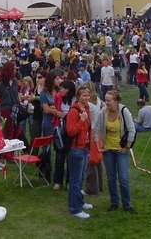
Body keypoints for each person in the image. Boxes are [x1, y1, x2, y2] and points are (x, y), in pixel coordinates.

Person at [94, 90, 137, 214]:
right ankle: (114, 202)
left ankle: (127, 204)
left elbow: (132, 131)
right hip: (108, 151)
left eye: (108, 100)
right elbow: (95, 130)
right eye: (105, 100)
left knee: (123, 178)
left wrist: (127, 148)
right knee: (111, 178)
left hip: (120, 151)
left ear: (116, 101)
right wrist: (98, 147)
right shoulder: (103, 112)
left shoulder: (124, 111)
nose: (106, 102)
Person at [65, 84, 93, 219]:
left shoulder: (86, 108)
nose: (87, 98)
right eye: (84, 96)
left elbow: (89, 129)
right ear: (78, 96)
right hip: (75, 149)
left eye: (88, 95)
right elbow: (70, 131)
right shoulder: (73, 112)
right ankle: (74, 208)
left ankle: (79, 201)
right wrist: (81, 120)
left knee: (81, 177)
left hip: (84, 147)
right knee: (75, 180)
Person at [52, 80, 75, 190]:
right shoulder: (59, 97)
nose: (60, 90)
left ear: (68, 89)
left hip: (71, 130)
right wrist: (56, 112)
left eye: (62, 88)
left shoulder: (75, 100)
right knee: (59, 156)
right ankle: (58, 181)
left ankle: (69, 181)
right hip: (60, 129)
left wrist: (63, 115)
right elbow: (56, 109)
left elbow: (76, 115)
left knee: (70, 157)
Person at [84, 81, 105, 196]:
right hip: (98, 131)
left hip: (91, 131)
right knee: (97, 160)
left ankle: (92, 188)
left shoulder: (89, 105)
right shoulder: (97, 100)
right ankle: (99, 185)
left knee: (91, 160)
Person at [0, 61, 22, 140]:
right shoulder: (0, 84)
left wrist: (20, 102)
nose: (15, 70)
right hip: (5, 109)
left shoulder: (15, 81)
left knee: (16, 131)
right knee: (8, 132)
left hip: (15, 109)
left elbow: (16, 93)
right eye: (13, 69)